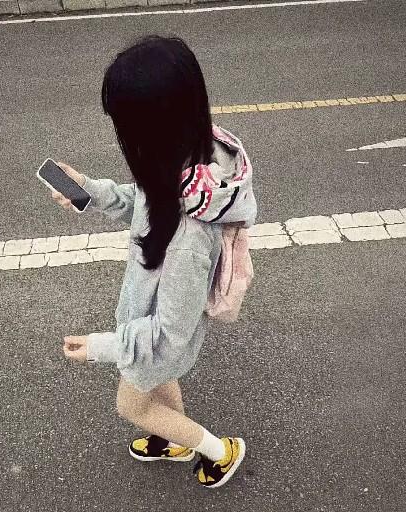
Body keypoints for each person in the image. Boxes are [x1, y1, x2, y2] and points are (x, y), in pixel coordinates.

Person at [53, 35, 257, 489]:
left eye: (126, 126)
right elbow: (143, 202)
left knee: (132, 404)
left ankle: (220, 452)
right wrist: (89, 190)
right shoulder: (183, 162)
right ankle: (175, 441)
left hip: (149, 337)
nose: (122, 138)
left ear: (152, 128)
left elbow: (169, 334)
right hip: (145, 328)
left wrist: (101, 346)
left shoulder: (188, 238)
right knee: (158, 385)